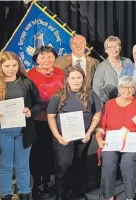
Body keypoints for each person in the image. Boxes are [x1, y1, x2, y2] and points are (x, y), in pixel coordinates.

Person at [0, 52, 41, 200]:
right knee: (5, 167)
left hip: (23, 132)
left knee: (23, 166)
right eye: (7, 66)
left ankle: (24, 195)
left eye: (14, 65)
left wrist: (30, 111)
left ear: (18, 65)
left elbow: (38, 104)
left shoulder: (26, 82)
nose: (11, 69)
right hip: (2, 132)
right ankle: (5, 195)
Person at [46, 67, 102, 200]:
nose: (76, 81)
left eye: (79, 78)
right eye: (73, 78)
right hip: (63, 138)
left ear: (83, 79)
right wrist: (58, 136)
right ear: (67, 80)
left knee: (79, 164)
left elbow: (97, 113)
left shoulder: (90, 94)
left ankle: (77, 192)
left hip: (83, 137)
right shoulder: (58, 95)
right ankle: (61, 195)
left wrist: (89, 132)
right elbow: (51, 116)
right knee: (64, 166)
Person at [96, 76, 136, 200]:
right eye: (123, 87)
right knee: (109, 161)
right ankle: (109, 196)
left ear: (134, 89)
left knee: (127, 163)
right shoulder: (109, 105)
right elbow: (100, 128)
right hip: (112, 143)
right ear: (118, 88)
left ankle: (129, 197)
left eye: (130, 87)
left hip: (132, 143)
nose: (126, 90)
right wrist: (99, 140)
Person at [27, 46, 65, 198]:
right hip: (38, 120)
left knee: (53, 153)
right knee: (38, 153)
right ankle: (37, 184)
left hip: (58, 120)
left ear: (55, 58)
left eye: (50, 56)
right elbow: (29, 99)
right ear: (36, 59)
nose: (46, 60)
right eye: (42, 57)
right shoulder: (30, 75)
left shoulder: (60, 73)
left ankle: (49, 182)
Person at [93, 35, 133, 103]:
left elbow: (135, 81)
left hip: (129, 101)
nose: (114, 49)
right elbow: (97, 89)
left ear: (120, 48)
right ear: (106, 50)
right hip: (110, 104)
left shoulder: (128, 62)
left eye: (116, 46)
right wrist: (109, 103)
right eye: (110, 47)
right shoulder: (101, 67)